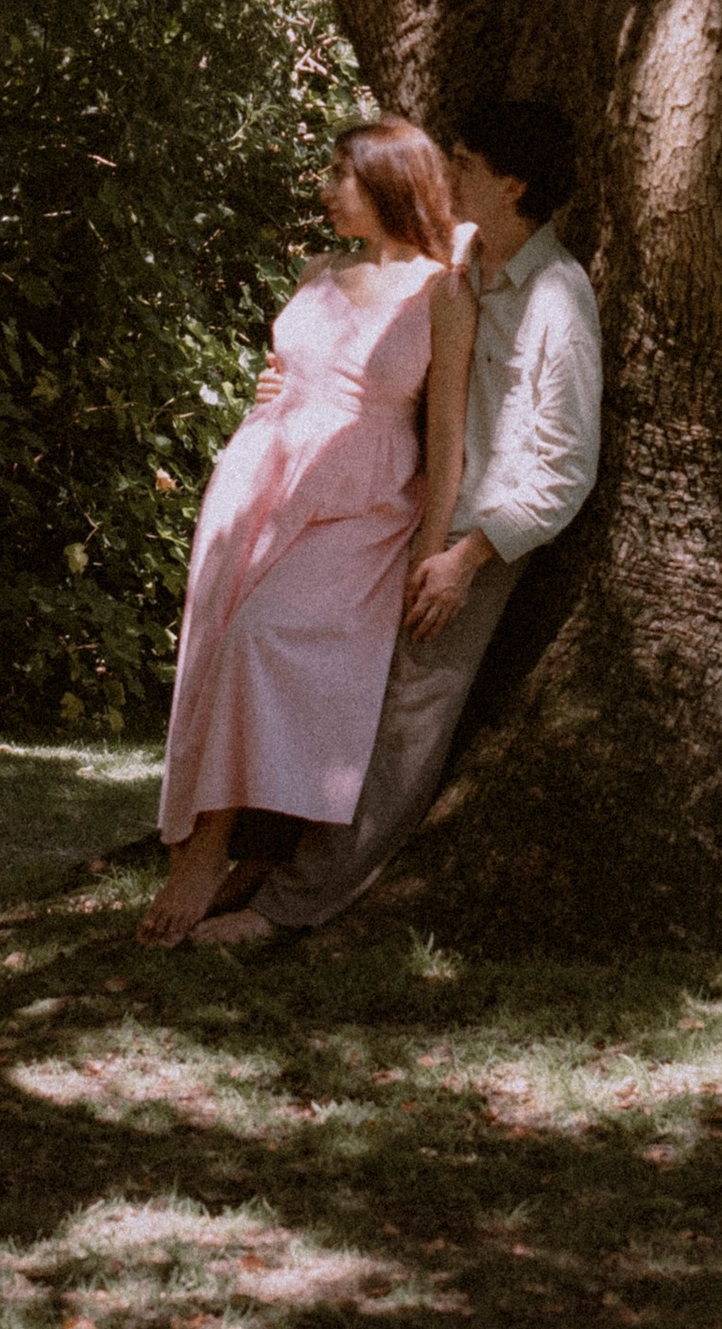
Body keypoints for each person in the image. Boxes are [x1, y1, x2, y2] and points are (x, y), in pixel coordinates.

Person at [196, 90, 600, 946]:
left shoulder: (559, 300)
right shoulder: (465, 258)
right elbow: (372, 309)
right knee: (326, 674)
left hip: (478, 537)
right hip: (404, 513)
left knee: (405, 719)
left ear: (514, 184)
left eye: (465, 166)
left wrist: (465, 558)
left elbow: (565, 468)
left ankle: (286, 909)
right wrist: (290, 384)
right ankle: (265, 850)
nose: (444, 174)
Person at [137, 115, 478, 948]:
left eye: (342, 174)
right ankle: (217, 841)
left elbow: (446, 436)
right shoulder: (318, 268)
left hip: (363, 503)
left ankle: (214, 844)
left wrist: (433, 548)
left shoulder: (442, 290)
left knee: (264, 635)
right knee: (220, 640)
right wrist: (276, 391)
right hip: (264, 477)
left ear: (392, 183)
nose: (325, 189)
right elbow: (301, 369)